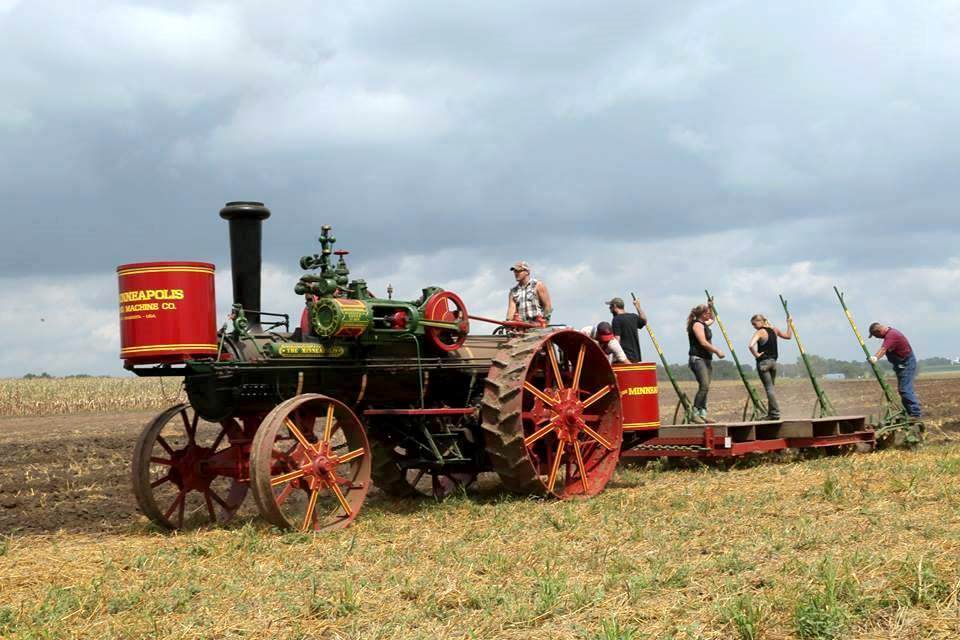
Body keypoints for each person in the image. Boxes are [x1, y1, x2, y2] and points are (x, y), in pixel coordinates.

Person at [868, 323, 922, 418]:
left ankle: (915, 414)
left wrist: (875, 358)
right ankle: (910, 413)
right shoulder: (890, 335)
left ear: (879, 331)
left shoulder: (891, 335)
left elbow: (883, 349)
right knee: (904, 390)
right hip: (901, 365)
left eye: (876, 336)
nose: (876, 338)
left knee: (905, 390)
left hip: (906, 364)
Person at [747, 313, 793, 420]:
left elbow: (750, 345)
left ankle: (774, 414)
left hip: (763, 363)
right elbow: (788, 336)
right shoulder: (775, 330)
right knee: (771, 388)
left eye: (754, 324)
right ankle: (771, 413)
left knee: (769, 389)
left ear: (760, 322)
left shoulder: (760, 332)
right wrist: (789, 323)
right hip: (773, 362)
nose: (754, 326)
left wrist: (757, 355)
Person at [687, 304, 725, 422]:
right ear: (702, 314)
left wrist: (711, 307)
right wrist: (717, 350)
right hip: (698, 359)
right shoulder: (697, 325)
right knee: (704, 386)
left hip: (706, 359)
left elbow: (712, 320)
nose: (709, 314)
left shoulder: (704, 324)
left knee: (706, 387)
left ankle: (703, 413)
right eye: (707, 312)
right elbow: (703, 342)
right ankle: (695, 413)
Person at [506, 261, 552, 327]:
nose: (516, 273)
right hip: (521, 327)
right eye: (515, 272)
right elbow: (511, 311)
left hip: (537, 326)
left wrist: (545, 322)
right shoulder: (513, 291)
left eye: (519, 271)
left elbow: (547, 306)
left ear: (527, 272)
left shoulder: (538, 285)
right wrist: (508, 323)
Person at [606, 297, 647, 363]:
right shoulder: (633, 317)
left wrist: (609, 354)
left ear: (615, 306)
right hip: (636, 357)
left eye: (610, 307)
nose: (610, 309)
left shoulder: (616, 319)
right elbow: (644, 321)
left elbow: (617, 340)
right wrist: (638, 307)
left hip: (624, 358)